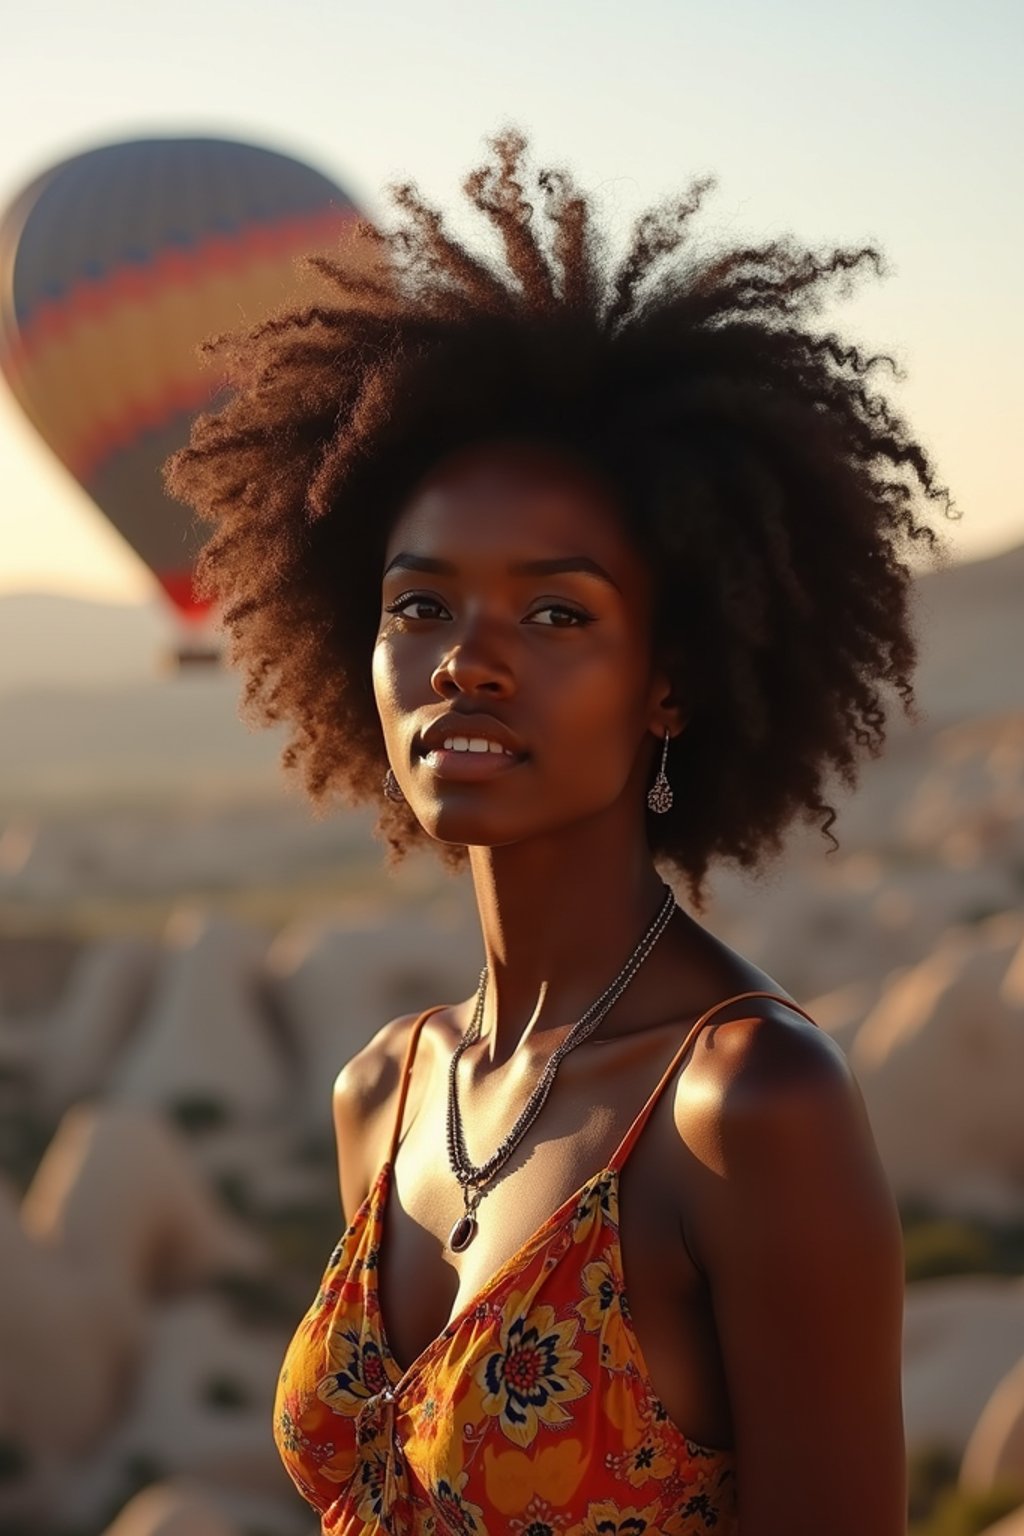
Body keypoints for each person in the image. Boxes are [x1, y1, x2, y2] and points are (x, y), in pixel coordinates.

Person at [166, 128, 953, 1536]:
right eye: (419, 605)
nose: (468, 660)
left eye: (555, 611)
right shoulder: (385, 1092)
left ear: (670, 681)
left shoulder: (750, 1107)